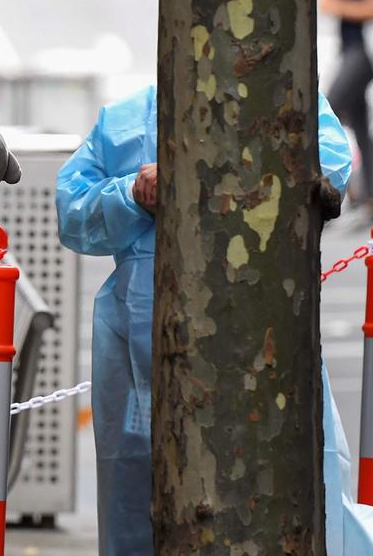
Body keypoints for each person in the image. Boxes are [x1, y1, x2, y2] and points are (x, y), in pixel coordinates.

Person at [56, 85, 373, 555]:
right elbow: (73, 212)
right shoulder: (124, 122)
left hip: (260, 337)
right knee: (138, 494)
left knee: (287, 481)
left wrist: (220, 178)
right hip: (144, 352)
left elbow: (329, 170)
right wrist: (130, 194)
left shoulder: (289, 97)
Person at [320, 0, 373, 207]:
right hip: (350, 49)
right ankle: (366, 195)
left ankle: (335, 185)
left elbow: (368, 7)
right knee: (358, 120)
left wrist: (334, 6)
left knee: (331, 108)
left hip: (362, 52)